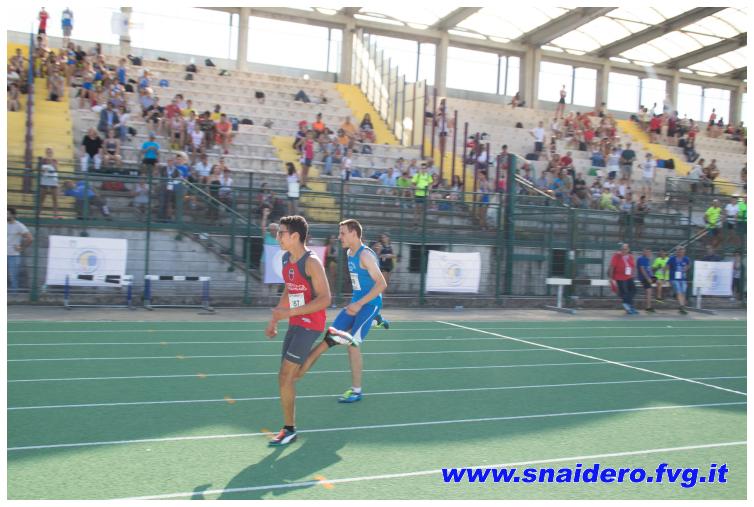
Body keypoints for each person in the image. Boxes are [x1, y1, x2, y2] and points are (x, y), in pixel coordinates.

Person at [264, 215, 334, 446]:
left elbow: (325, 299)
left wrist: (289, 313)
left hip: (311, 324)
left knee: (285, 376)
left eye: (281, 233)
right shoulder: (286, 258)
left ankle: (289, 429)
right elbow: (290, 289)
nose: (277, 237)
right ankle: (328, 343)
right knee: (291, 377)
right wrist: (276, 318)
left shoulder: (311, 262)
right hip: (295, 321)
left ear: (295, 236)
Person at [314, 219, 387, 403]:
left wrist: (360, 304)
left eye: (343, 233)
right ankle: (376, 319)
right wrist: (355, 302)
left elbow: (381, 284)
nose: (339, 237)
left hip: (370, 304)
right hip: (356, 303)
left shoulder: (365, 256)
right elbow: (360, 283)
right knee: (332, 334)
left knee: (352, 345)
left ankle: (356, 391)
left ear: (354, 233)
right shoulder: (348, 252)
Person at [7, 207, 33, 293]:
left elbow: (30, 238)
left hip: (13, 255)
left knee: (13, 277)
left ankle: (14, 296)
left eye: (7, 214)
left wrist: (21, 248)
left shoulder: (19, 226)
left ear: (13, 215)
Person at [608, 243, 638, 315]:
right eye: (622, 249)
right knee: (624, 292)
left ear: (628, 250)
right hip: (620, 277)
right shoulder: (617, 256)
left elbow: (633, 266)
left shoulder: (630, 256)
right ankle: (629, 308)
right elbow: (612, 266)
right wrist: (611, 278)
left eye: (625, 249)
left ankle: (626, 303)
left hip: (629, 277)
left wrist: (633, 274)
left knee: (634, 290)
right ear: (621, 249)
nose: (624, 250)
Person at [667, 247, 691, 315]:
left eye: (682, 252)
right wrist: (665, 278)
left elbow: (689, 264)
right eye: (679, 252)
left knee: (683, 291)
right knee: (679, 291)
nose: (681, 253)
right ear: (677, 252)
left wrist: (686, 268)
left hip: (682, 278)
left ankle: (681, 306)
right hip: (674, 278)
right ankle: (682, 306)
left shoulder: (686, 258)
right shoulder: (672, 258)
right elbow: (667, 267)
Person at [39, 147, 60, 217]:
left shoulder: (55, 160)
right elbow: (38, 169)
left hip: (53, 182)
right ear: (46, 153)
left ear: (52, 153)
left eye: (50, 152)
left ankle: (55, 214)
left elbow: (56, 169)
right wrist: (42, 170)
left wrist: (51, 162)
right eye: (48, 152)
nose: (49, 154)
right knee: (41, 198)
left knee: (55, 199)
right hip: (44, 181)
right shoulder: (42, 160)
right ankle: (39, 213)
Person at [636, 248, 655, 313]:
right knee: (649, 291)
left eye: (649, 252)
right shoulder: (641, 259)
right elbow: (642, 270)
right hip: (644, 278)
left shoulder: (647, 259)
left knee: (649, 291)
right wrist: (648, 279)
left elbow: (649, 269)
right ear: (643, 252)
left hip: (648, 277)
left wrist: (652, 277)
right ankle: (648, 307)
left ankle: (648, 306)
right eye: (646, 252)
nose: (648, 253)